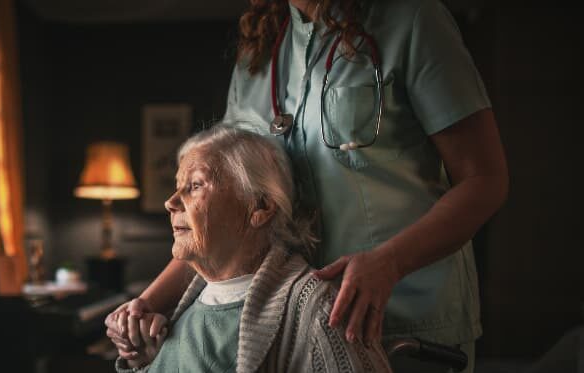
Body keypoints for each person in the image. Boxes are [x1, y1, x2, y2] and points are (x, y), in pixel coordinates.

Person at [107, 0, 508, 372]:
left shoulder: (413, 20)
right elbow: (218, 214)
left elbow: (485, 180)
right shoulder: (258, 54)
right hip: (291, 328)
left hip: (408, 323)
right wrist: (146, 303)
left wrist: (390, 262)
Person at [115, 124, 392, 372]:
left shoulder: (318, 314)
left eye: (195, 185)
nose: (171, 202)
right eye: (178, 187)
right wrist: (146, 362)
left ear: (259, 207)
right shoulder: (177, 309)